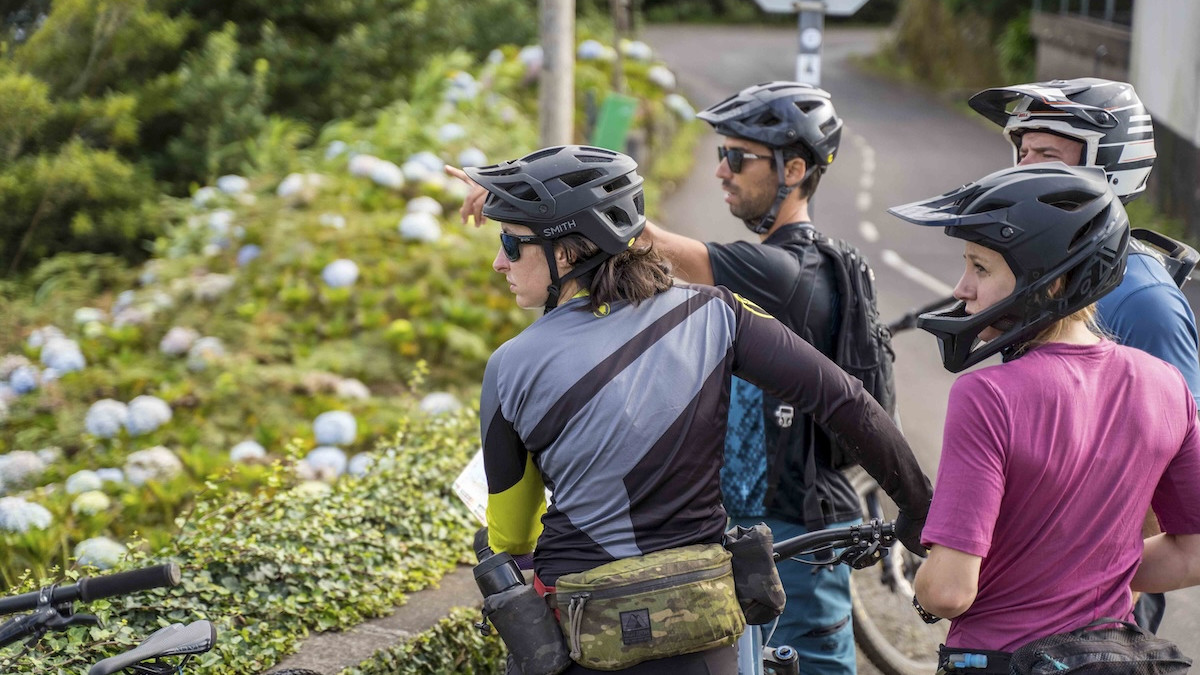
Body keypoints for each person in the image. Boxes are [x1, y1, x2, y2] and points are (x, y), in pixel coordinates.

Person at [452, 145, 932, 675]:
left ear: (565, 253)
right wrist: (918, 506)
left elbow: (514, 535)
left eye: (510, 243)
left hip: (584, 636)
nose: (499, 261)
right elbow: (843, 400)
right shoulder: (717, 314)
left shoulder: (510, 365)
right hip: (701, 630)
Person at [888, 163, 1200, 671]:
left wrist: (922, 584)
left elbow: (948, 592)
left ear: (1050, 283)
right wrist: (1088, 574)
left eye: (980, 268)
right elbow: (1193, 552)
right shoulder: (1166, 384)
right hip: (1109, 660)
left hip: (1000, 657)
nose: (961, 288)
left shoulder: (986, 395)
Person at [636, 81, 868, 670]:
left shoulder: (783, 272)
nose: (720, 171)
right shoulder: (795, 264)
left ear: (793, 169)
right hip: (771, 526)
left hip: (797, 531)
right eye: (720, 154)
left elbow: (646, 244)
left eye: (737, 157)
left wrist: (535, 201)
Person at [968, 76, 1200, 632]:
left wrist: (1089, 567)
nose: (1026, 169)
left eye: (1047, 154)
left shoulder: (1143, 300)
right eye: (1022, 153)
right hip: (1034, 583)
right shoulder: (1049, 278)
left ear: (1110, 167)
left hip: (1100, 603)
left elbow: (1171, 455)